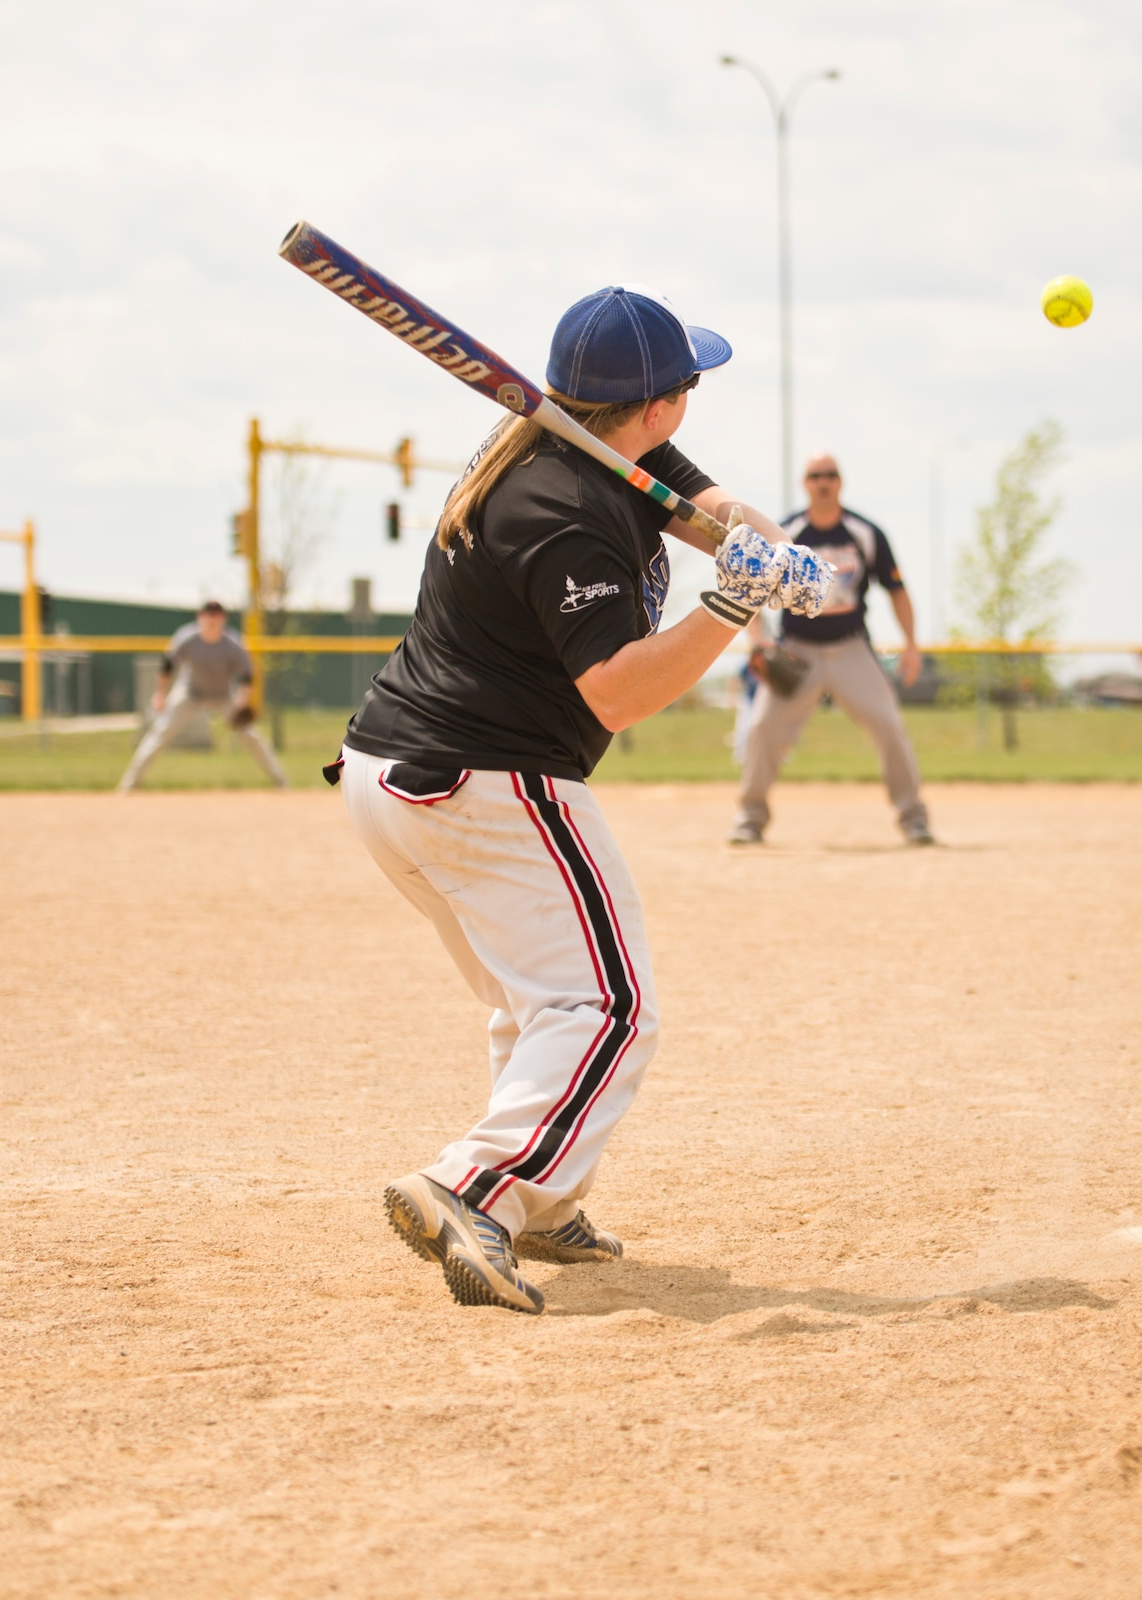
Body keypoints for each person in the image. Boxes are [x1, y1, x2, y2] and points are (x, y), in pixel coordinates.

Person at [331, 284, 829, 1314]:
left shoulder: (592, 449)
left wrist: (770, 551)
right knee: (608, 1006)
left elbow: (714, 511)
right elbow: (621, 691)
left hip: (405, 770)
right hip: (483, 776)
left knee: (537, 997)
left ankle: (545, 1201)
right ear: (659, 404)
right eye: (686, 384)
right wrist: (735, 601)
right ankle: (476, 1187)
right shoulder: (563, 505)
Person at [729, 453, 932, 846]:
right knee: (762, 729)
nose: (823, 482)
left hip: (849, 648)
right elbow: (752, 591)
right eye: (815, 476)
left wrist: (910, 645)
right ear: (805, 484)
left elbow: (897, 591)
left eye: (830, 475)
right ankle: (749, 819)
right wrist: (759, 640)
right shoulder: (785, 531)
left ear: (841, 482)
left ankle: (914, 819)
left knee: (889, 726)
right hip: (797, 651)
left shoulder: (865, 533)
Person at [118, 600, 288, 791]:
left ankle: (280, 781)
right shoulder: (186, 638)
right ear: (199, 617)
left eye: (216, 614)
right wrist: (160, 695)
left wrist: (242, 703)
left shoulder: (233, 644)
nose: (212, 619)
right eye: (208, 614)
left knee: (251, 736)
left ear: (223, 619)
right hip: (190, 693)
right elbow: (167, 666)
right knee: (161, 733)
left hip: (223, 695)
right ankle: (129, 783)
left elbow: (246, 676)